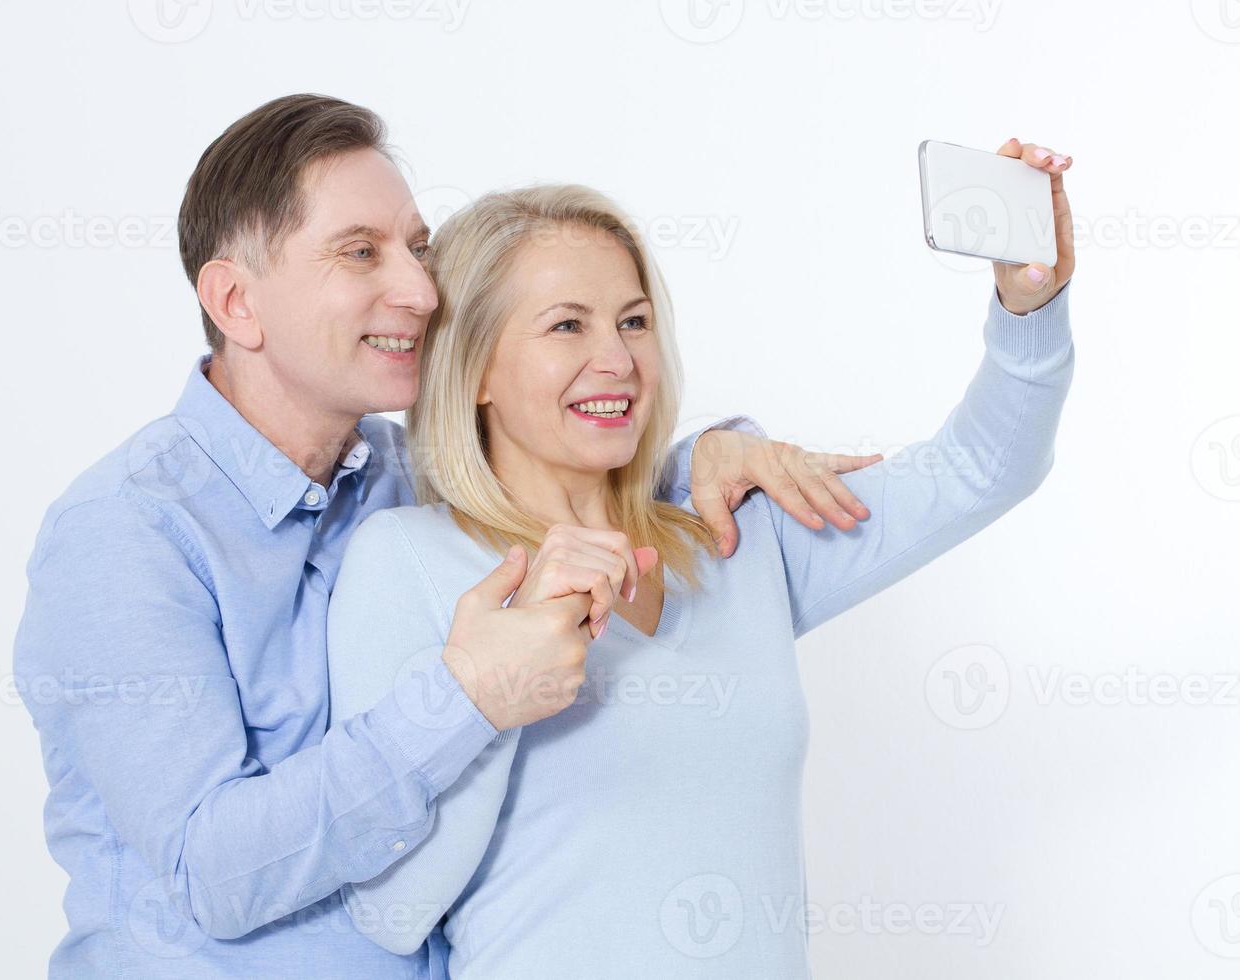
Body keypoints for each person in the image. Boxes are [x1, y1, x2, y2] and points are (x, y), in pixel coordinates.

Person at [11, 93, 880, 979]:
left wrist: (710, 449)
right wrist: (466, 698)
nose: (424, 292)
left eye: (418, 249)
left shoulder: (399, 474)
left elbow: (566, 470)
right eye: (362, 253)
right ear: (237, 301)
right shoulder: (125, 535)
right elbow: (214, 873)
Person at [327, 151, 1075, 978]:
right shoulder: (407, 561)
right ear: (475, 372)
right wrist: (500, 693)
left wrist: (1028, 306)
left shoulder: (729, 538)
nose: (617, 358)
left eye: (635, 321)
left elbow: (981, 469)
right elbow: (391, 912)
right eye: (567, 325)